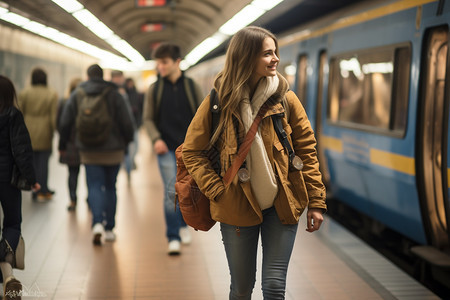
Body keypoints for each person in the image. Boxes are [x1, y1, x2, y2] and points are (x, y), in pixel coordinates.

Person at [181, 26, 327, 299]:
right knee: (241, 288)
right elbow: (191, 151)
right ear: (246, 57)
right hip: (236, 205)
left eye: (275, 52)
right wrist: (216, 190)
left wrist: (316, 202)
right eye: (267, 54)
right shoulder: (218, 101)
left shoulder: (286, 98)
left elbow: (307, 149)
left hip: (282, 203)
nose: (275, 59)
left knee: (274, 286)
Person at [58, 64, 134, 245]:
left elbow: (65, 122)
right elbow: (127, 121)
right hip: (114, 149)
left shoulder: (78, 94)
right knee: (110, 187)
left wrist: (63, 145)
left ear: (88, 76)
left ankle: (97, 223)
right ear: (103, 76)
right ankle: (109, 229)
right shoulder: (115, 93)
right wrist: (127, 142)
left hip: (88, 150)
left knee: (93, 186)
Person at [143, 43, 203, 255]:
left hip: (190, 150)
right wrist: (155, 139)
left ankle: (183, 224)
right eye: (158, 63)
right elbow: (148, 119)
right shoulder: (155, 89)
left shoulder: (191, 86)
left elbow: (202, 116)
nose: (160, 66)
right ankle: (173, 236)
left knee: (185, 191)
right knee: (171, 191)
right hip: (166, 148)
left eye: (164, 62)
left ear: (177, 62)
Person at [0, 75, 40, 300]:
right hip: (8, 180)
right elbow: (22, 150)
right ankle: (7, 272)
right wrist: (32, 178)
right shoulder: (13, 115)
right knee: (12, 224)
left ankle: (6, 275)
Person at [18, 67, 58, 201]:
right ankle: (43, 189)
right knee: (43, 163)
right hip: (44, 130)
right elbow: (53, 117)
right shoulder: (51, 94)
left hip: (28, 129)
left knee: (31, 162)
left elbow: (20, 113)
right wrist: (53, 131)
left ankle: (33, 188)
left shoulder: (25, 93)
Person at [57, 77, 82, 211]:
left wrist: (61, 145)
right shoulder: (86, 101)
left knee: (72, 173)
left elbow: (61, 125)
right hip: (86, 143)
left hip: (70, 143)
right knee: (90, 173)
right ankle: (91, 199)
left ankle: (73, 200)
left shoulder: (64, 101)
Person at [124, 77, 143, 180]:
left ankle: (130, 163)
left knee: (136, 146)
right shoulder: (123, 94)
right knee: (130, 147)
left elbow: (140, 108)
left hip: (135, 123)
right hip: (128, 125)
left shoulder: (136, 94)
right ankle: (128, 166)